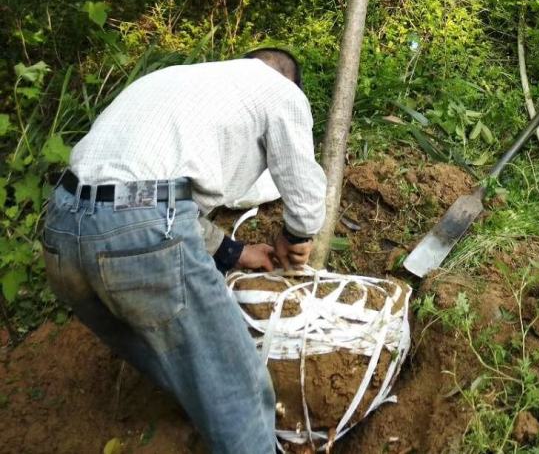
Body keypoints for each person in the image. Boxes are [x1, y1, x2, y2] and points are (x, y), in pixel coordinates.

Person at [41, 47, 327, 454]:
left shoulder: (179, 81)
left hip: (61, 230)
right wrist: (297, 236)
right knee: (233, 383)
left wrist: (233, 252)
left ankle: (206, 425)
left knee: (172, 360)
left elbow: (137, 196)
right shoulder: (279, 91)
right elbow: (302, 181)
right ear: (289, 80)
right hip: (138, 233)